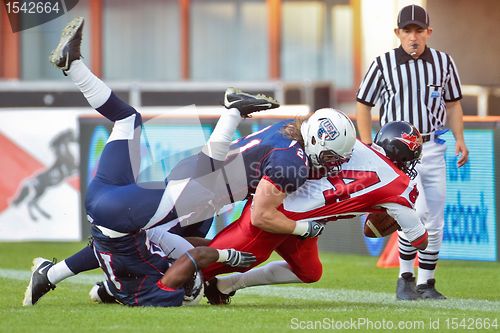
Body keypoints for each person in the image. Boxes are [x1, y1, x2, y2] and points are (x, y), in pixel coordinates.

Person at [23, 17, 356, 306]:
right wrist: (288, 232)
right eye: (330, 156)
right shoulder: (293, 160)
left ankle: (75, 65)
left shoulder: (286, 132)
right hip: (190, 193)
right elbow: (234, 197)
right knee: (151, 245)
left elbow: (213, 169)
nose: (330, 163)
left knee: (128, 122)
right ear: (315, 141)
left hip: (150, 196)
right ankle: (99, 286)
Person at [195, 121, 429, 305]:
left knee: (309, 271)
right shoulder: (399, 184)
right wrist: (398, 217)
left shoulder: (353, 144)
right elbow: (419, 241)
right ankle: (163, 281)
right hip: (275, 213)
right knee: (209, 265)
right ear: (404, 156)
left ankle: (225, 285)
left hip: (303, 217)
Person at [355, 4, 469, 300]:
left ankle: (426, 282)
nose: (413, 36)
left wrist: (460, 138)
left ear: (429, 32)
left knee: (435, 216)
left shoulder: (444, 63)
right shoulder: (383, 63)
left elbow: (453, 103)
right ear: (398, 33)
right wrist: (367, 143)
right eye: (407, 30)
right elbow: (363, 102)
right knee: (412, 213)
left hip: (432, 146)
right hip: (398, 154)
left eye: (419, 30)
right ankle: (405, 277)